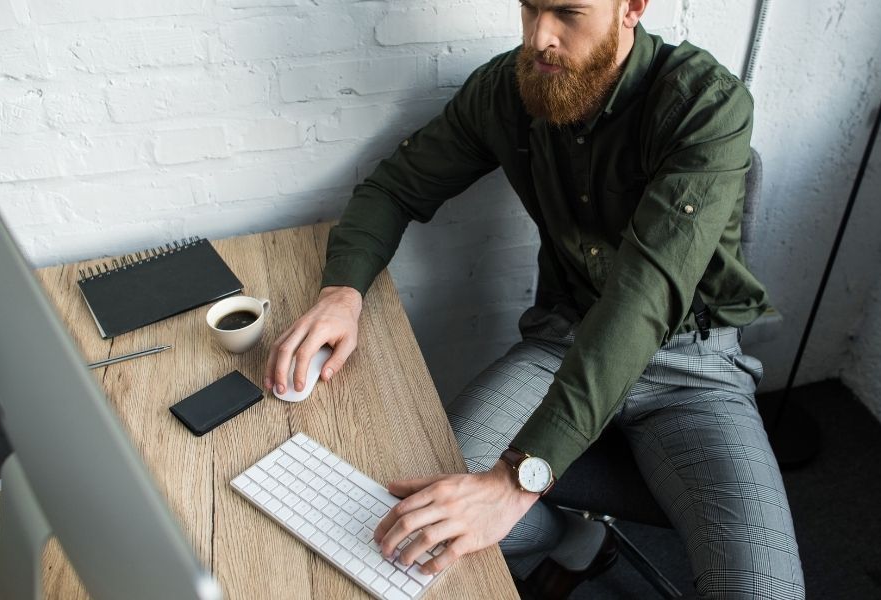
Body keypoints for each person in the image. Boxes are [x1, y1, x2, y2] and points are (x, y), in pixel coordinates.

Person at [265, 0, 805, 597]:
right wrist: (344, 291)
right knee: (424, 515)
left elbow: (640, 301)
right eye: (529, 7)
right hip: (563, 341)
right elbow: (394, 187)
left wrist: (516, 479)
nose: (540, 36)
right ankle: (574, 542)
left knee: (764, 590)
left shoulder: (706, 102)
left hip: (690, 367)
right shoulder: (508, 87)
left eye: (569, 11)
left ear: (632, 7)